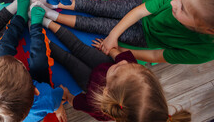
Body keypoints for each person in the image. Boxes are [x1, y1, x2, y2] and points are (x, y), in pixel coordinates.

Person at [29, 0, 214, 64]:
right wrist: (113, 36)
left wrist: (120, 50)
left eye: (182, 8)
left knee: (96, 25)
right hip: (139, 9)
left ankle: (51, 15)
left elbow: (156, 55)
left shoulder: (203, 51)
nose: (174, 2)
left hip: (145, 37)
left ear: (207, 29)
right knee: (98, 6)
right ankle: (51, 4)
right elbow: (140, 11)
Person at [41, 18, 191, 121]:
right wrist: (109, 50)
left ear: (107, 91)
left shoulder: (101, 107)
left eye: (119, 67)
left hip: (88, 82)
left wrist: (67, 95)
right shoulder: (132, 70)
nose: (125, 62)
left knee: (67, 59)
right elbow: (121, 57)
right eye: (131, 65)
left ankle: (41, 38)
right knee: (78, 47)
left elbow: (79, 103)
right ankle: (48, 21)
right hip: (102, 64)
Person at [0, 0, 67, 122]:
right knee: (40, 58)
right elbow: (57, 98)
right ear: (35, 90)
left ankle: (20, 17)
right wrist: (59, 107)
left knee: (3, 47)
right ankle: (35, 27)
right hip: (35, 90)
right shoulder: (45, 97)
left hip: (1, 79)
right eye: (21, 66)